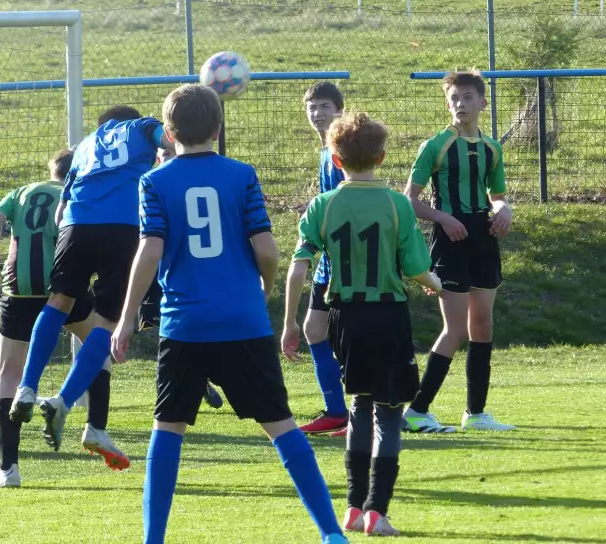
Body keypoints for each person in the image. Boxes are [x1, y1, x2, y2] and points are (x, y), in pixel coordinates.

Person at [111, 84, 346, 544]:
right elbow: (267, 248)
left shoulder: (154, 182)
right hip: (243, 321)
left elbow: (150, 249)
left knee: (168, 428)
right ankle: (331, 533)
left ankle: (153, 539)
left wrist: (126, 317)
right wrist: (265, 288)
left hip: (185, 324)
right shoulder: (242, 175)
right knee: (280, 424)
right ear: (218, 128)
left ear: (169, 130)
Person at [284, 112, 442, 537]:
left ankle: (352, 508)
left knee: (359, 405)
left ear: (335, 159)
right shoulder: (396, 204)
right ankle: (377, 510)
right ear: (382, 156)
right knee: (390, 414)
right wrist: (438, 286)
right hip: (387, 314)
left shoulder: (323, 204)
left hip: (343, 317)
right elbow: (416, 267)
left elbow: (299, 268)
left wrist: (290, 323)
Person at [0, 149, 128, 486]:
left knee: (9, 374)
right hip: (64, 289)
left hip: (19, 291)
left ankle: (8, 470)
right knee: (98, 344)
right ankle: (96, 427)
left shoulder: (22, 192)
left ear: (51, 170)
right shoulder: (79, 192)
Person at [10, 105, 173, 454]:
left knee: (59, 301)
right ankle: (64, 400)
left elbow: (60, 207)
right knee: (110, 321)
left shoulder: (84, 145)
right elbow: (169, 143)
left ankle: (26, 386)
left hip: (75, 225)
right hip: (122, 226)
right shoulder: (143, 127)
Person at [403, 70, 515, 433]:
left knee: (481, 324)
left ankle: (476, 413)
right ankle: (417, 410)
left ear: (483, 102)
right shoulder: (435, 145)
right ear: (447, 103)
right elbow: (410, 201)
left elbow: (496, 197)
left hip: (483, 239)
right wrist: (444, 219)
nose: (460, 104)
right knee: (455, 328)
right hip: (450, 242)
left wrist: (503, 209)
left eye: (468, 97)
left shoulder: (492, 148)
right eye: (454, 98)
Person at [138, 148, 223, 410]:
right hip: (157, 272)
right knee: (161, 331)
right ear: (156, 157)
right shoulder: (150, 184)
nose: (169, 158)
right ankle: (187, 386)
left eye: (173, 154)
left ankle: (203, 378)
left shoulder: (189, 187)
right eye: (165, 154)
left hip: (190, 273)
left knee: (200, 330)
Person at [297, 82, 350, 436]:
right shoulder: (323, 150)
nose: (318, 113)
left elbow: (348, 200)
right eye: (312, 107)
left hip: (346, 257)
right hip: (327, 257)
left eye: (325, 106)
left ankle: (370, 408)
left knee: (350, 336)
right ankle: (336, 411)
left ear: (339, 111)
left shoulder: (342, 150)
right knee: (314, 330)